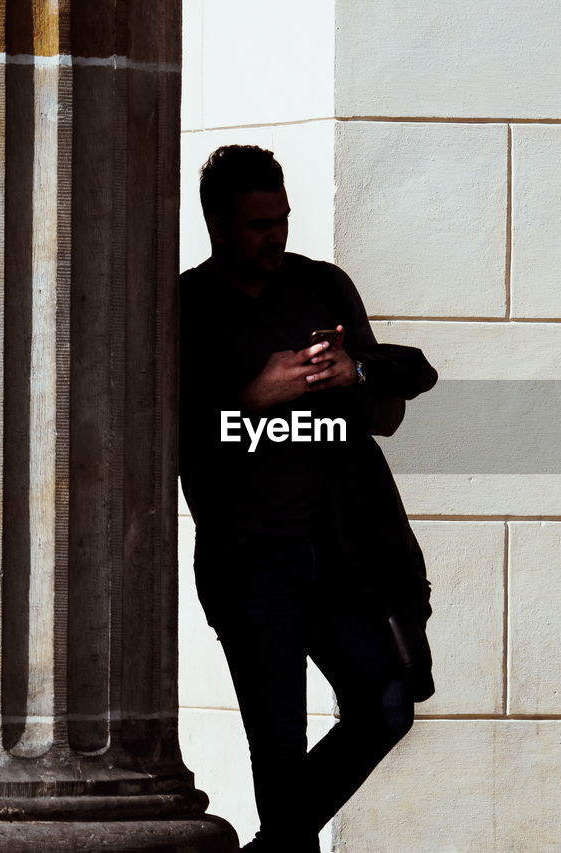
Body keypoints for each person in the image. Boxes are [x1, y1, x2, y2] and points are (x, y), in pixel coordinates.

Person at [179, 144, 438, 852]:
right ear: (218, 225)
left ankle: (272, 848)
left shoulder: (321, 287)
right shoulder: (187, 306)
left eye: (282, 219)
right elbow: (166, 436)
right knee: (279, 751)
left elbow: (393, 405)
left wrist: (352, 374)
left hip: (342, 552)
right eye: (260, 223)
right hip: (251, 561)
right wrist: (253, 398)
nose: (276, 236)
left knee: (387, 704)